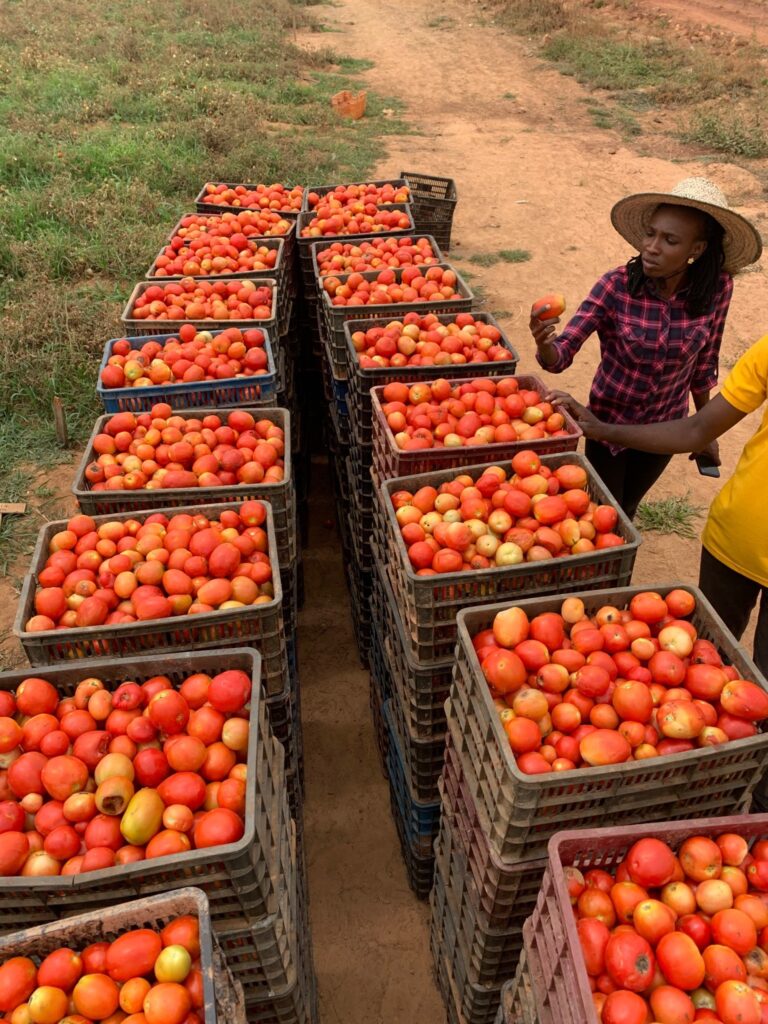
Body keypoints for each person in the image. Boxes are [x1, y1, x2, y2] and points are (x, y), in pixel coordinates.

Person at [529, 177, 762, 519]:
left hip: (665, 430)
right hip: (606, 425)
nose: (651, 247)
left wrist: (704, 430)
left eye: (670, 240)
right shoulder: (616, 285)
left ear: (696, 250)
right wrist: (544, 343)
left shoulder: (717, 289)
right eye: (650, 234)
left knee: (628, 509)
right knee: (603, 513)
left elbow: (704, 362)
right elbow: (560, 356)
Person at [548, 329, 768, 675]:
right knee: (708, 672)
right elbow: (697, 431)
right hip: (735, 540)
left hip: (735, 534)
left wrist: (604, 429)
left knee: (710, 672)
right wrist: (603, 429)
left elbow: (696, 431)